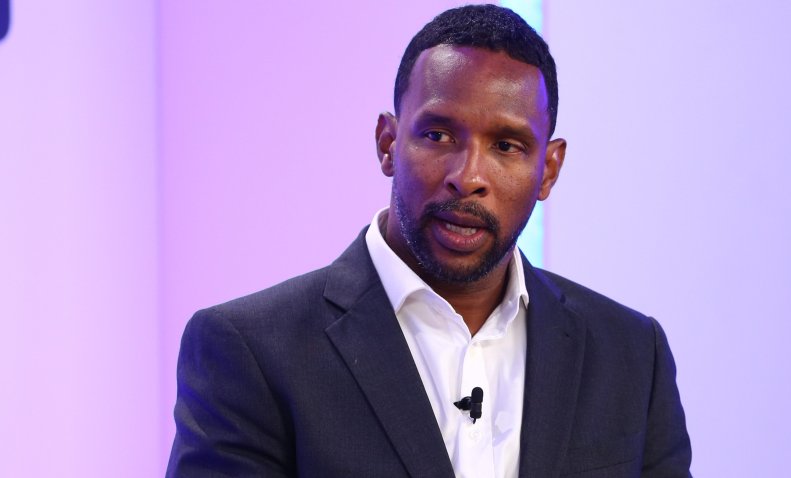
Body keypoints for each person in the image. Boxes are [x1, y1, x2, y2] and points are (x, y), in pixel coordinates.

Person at [166, 5, 692, 477]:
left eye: (507, 145)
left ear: (548, 169)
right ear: (388, 143)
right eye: (439, 135)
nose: (468, 176)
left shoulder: (630, 354)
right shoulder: (251, 349)